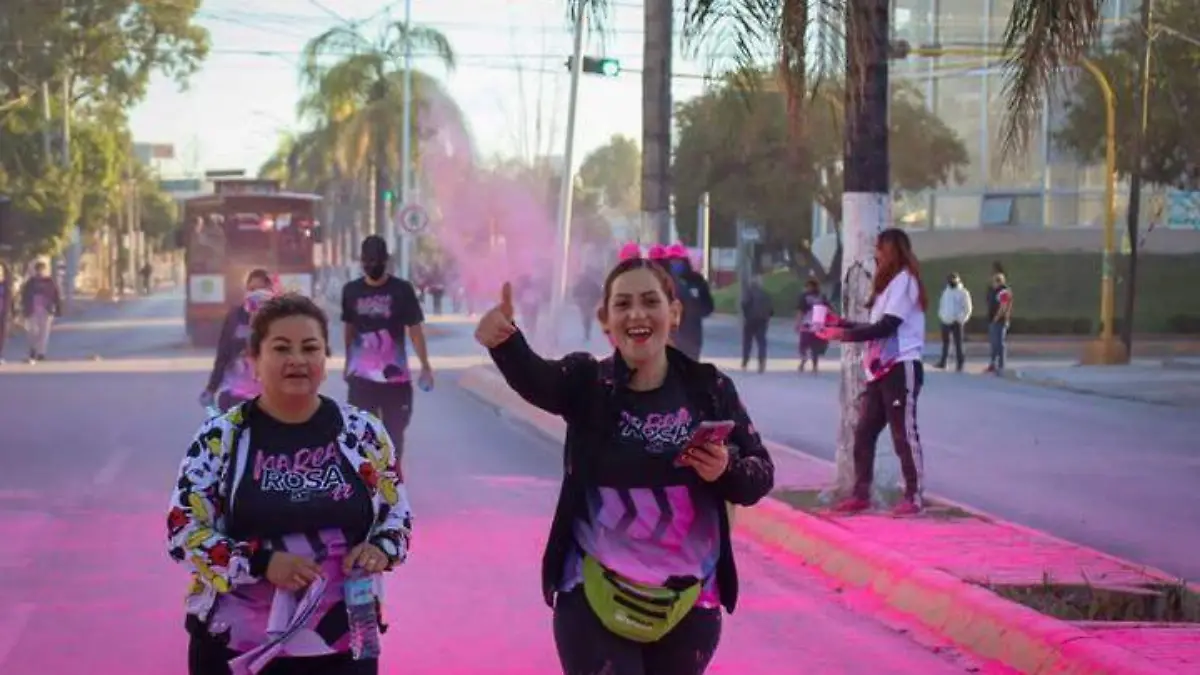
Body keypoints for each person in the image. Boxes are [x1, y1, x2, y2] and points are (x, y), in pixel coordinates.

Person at [474, 255, 775, 675]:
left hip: (688, 604)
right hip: (592, 596)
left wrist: (725, 469)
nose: (637, 314)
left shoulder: (710, 388)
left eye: (651, 301)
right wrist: (504, 342)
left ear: (674, 313)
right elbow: (538, 380)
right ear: (605, 320)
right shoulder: (587, 383)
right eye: (623, 304)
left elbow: (759, 476)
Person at [167, 293, 413, 675]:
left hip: (344, 647)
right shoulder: (220, 439)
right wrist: (260, 563)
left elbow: (396, 517)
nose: (297, 359)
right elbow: (183, 532)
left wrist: (380, 549)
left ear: (325, 360)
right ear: (254, 361)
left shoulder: (363, 433)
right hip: (237, 651)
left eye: (310, 347)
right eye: (281, 348)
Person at [816, 228, 927, 516]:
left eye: (880, 249)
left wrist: (844, 336)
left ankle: (914, 496)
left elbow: (886, 327)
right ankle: (860, 493)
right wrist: (840, 325)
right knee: (864, 432)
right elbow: (873, 327)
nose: (876, 255)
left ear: (892, 251)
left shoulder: (905, 282)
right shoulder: (888, 287)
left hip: (901, 367)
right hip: (879, 371)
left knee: (903, 433)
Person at [342, 235, 432, 469]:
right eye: (368, 261)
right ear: (361, 262)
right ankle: (369, 489)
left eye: (377, 261)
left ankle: (391, 486)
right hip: (362, 379)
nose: (372, 266)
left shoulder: (401, 290)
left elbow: (415, 330)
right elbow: (349, 329)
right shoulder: (351, 291)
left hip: (395, 380)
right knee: (363, 437)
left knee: (394, 437)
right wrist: (347, 363)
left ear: (386, 261)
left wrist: (425, 365)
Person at [200, 269, 275, 413]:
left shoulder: (281, 318)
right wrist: (211, 389)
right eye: (252, 289)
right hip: (236, 394)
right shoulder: (235, 316)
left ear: (270, 291)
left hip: (270, 396)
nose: (256, 295)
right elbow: (223, 354)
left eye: (261, 289)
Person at [663, 244, 713, 361]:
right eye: (672, 261)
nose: (675, 264)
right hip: (669, 334)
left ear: (685, 261)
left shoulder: (696, 280)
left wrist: (695, 311)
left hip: (692, 334)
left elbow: (708, 305)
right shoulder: (662, 281)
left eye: (678, 260)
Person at [20, 260, 61, 362]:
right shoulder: (30, 283)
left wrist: (58, 308)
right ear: (35, 271)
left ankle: (41, 353)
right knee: (32, 331)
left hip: (46, 309)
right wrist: (23, 308)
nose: (40, 272)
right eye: (38, 270)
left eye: (42, 270)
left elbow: (56, 296)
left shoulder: (49, 282)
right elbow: (24, 296)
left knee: (44, 332)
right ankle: (33, 349)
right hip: (32, 309)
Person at [935, 273, 972, 372]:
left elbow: (968, 308)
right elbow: (942, 304)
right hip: (945, 320)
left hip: (957, 322)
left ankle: (960, 363)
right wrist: (942, 315)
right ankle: (943, 362)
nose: (951, 282)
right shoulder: (946, 292)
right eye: (950, 280)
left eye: (953, 280)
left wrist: (961, 319)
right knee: (945, 343)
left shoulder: (963, 292)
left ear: (958, 280)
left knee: (958, 343)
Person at [795, 279, 830, 373]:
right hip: (818, 325)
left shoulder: (804, 297)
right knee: (815, 346)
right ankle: (813, 365)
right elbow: (828, 310)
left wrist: (797, 323)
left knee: (803, 345)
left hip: (807, 324)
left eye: (808, 286)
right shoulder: (822, 297)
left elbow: (800, 311)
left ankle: (804, 360)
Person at [739, 275, 773, 373]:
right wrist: (767, 317)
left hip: (750, 320)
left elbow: (744, 304)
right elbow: (771, 310)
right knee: (761, 342)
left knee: (747, 342)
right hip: (762, 320)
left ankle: (745, 361)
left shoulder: (748, 293)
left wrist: (746, 315)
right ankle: (762, 362)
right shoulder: (766, 294)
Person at [985, 273, 1013, 374]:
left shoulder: (1004, 291)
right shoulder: (993, 291)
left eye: (995, 281)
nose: (993, 283)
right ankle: (993, 363)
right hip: (992, 320)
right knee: (993, 343)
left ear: (1000, 282)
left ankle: (1001, 364)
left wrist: (996, 318)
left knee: (1000, 343)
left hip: (1000, 321)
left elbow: (1003, 306)